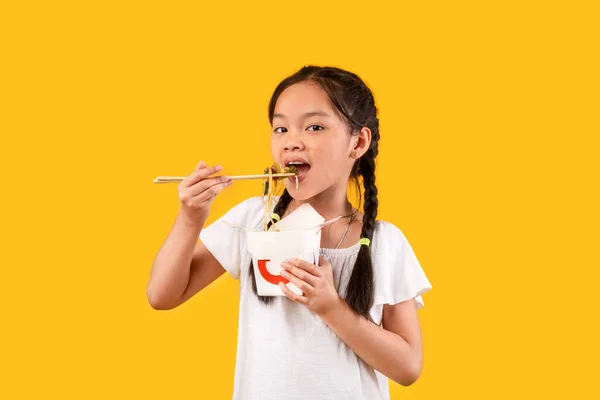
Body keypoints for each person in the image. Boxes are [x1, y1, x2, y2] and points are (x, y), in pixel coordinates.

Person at [147, 66, 433, 400]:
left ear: (358, 142)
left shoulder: (386, 242)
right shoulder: (254, 218)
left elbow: (408, 368)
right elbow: (162, 295)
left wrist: (331, 308)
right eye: (280, 128)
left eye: (314, 126)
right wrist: (190, 217)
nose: (291, 142)